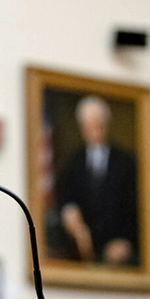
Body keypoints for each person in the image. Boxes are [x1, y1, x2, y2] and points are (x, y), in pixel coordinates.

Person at [47, 96, 139, 266]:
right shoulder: (74, 163)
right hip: (84, 253)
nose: (94, 130)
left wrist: (125, 241)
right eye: (88, 125)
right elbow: (66, 198)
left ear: (106, 124)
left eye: (98, 124)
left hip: (118, 250)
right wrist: (71, 215)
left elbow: (135, 207)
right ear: (82, 127)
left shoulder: (125, 162)